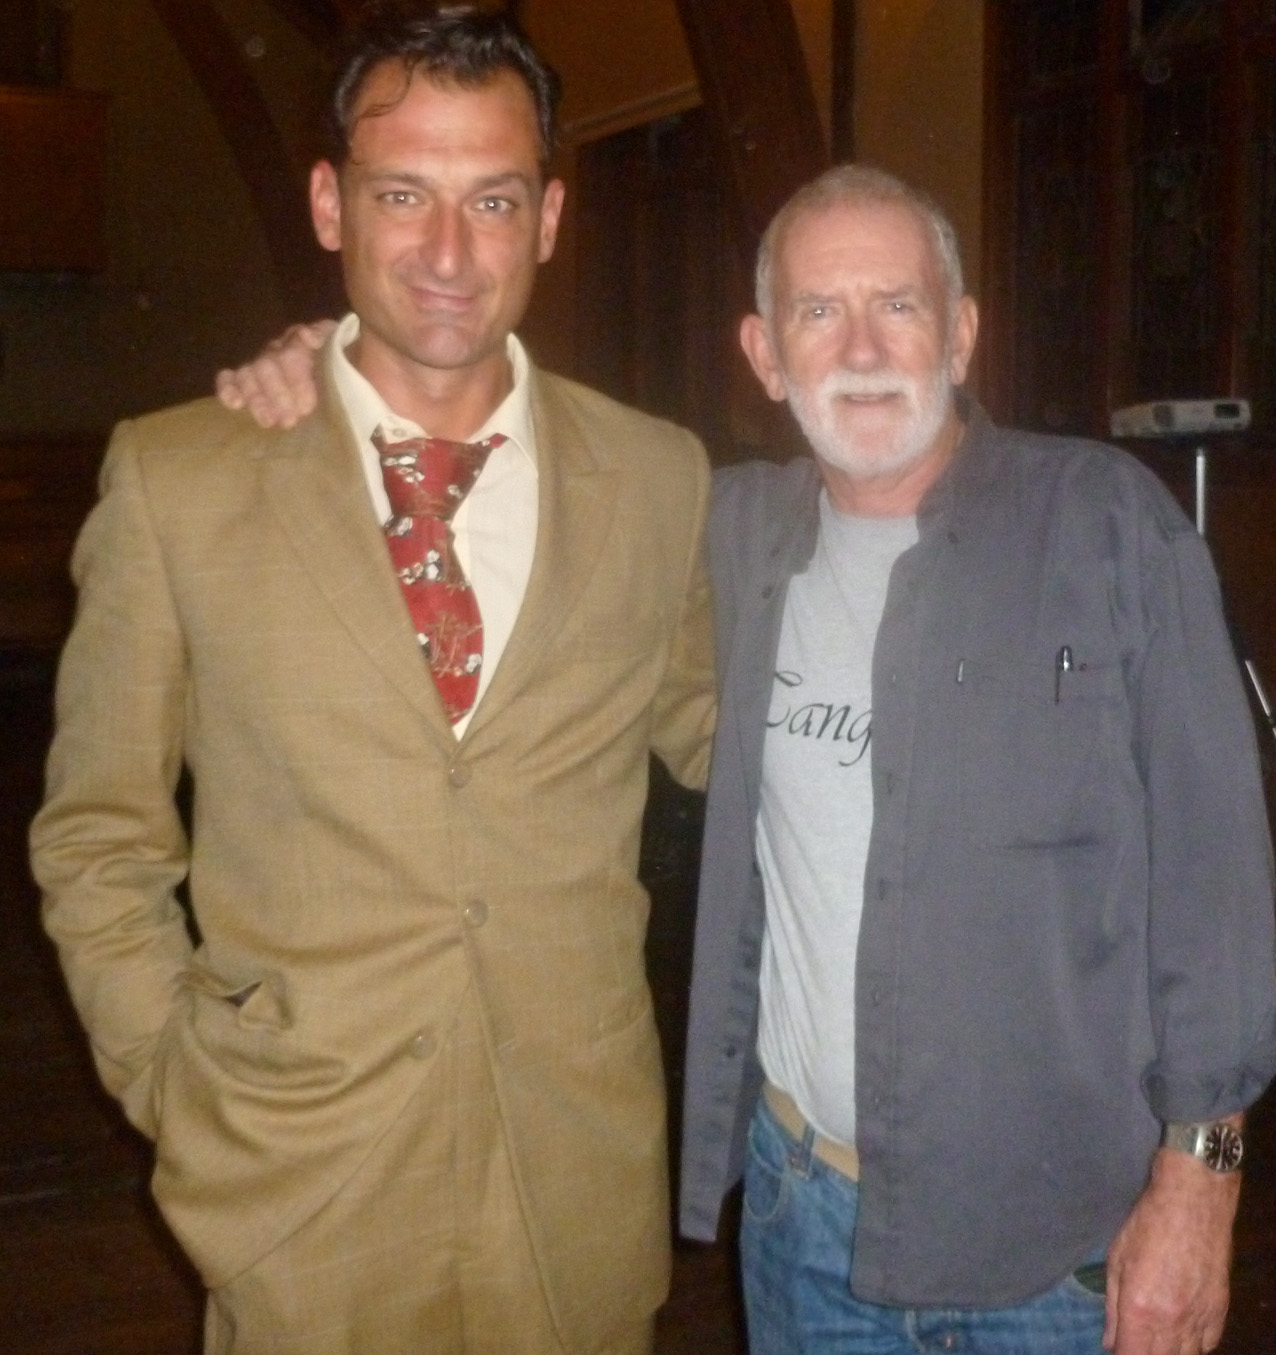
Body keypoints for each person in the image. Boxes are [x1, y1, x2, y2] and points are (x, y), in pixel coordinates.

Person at [224, 163, 1276, 1355]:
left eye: (899, 304)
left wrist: (1202, 1179)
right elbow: (501, 465)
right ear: (765, 356)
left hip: (1055, 1251)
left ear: (961, 333)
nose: (862, 347)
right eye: (818, 312)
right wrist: (335, 365)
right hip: (800, 1222)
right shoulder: (717, 532)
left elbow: (1216, 880)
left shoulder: (1105, 526)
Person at [29, 6, 714, 1354]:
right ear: (329, 204)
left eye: (493, 199)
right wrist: (178, 1085)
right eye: (403, 194)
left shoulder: (659, 479)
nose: (449, 253)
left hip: (572, 1205)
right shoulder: (178, 481)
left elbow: (743, 745)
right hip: (301, 1200)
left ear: (549, 217)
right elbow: (98, 838)